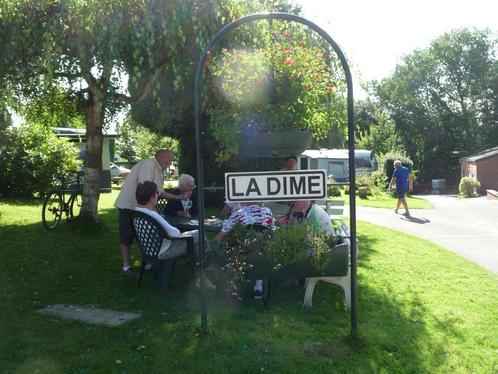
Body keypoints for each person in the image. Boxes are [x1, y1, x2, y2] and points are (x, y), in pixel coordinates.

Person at [114, 149, 185, 276]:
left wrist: (178, 197)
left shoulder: (158, 170)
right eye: (169, 159)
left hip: (140, 207)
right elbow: (145, 188)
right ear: (161, 158)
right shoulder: (149, 165)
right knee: (127, 237)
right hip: (129, 206)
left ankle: (149, 263)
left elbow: (160, 192)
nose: (170, 163)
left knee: (145, 236)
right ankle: (126, 268)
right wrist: (151, 209)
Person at [134, 181, 215, 289]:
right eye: (157, 193)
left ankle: (200, 272)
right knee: (199, 236)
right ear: (152, 197)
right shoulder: (153, 215)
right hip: (163, 250)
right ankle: (204, 273)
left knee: (196, 239)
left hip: (149, 249)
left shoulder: (137, 212)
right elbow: (175, 233)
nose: (158, 196)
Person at [215, 202, 275, 299]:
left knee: (226, 246)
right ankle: (258, 286)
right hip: (262, 252)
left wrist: (214, 242)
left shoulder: (238, 214)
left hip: (242, 252)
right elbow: (272, 231)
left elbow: (221, 236)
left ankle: (234, 285)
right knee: (259, 247)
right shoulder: (267, 212)